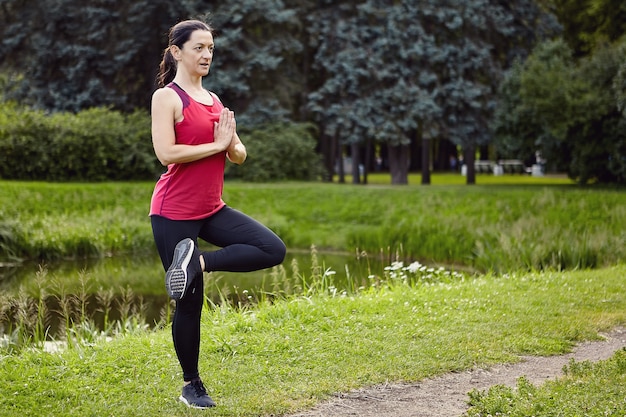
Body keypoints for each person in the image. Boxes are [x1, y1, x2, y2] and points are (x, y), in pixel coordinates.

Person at [149, 19, 286, 409]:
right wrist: (217, 145)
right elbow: (167, 154)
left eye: (211, 48)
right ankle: (191, 385)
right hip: (173, 212)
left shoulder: (215, 100)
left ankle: (198, 263)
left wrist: (232, 145)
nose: (207, 54)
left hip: (211, 208)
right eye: (199, 48)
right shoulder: (168, 98)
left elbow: (238, 153)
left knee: (271, 248)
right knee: (189, 301)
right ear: (177, 52)